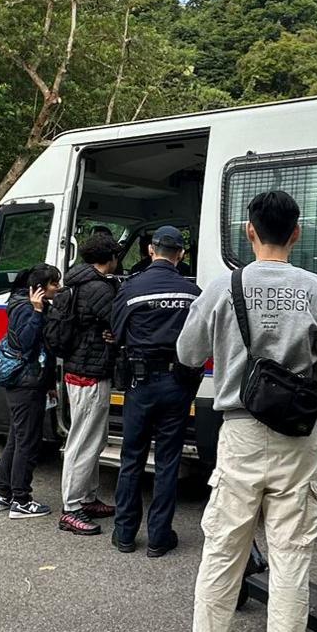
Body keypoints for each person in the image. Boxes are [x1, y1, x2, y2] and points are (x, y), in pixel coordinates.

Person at [176, 189, 317, 632]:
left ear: (250, 232)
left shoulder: (224, 287)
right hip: (299, 440)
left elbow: (187, 352)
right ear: (296, 233)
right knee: (291, 555)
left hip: (240, 435)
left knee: (224, 547)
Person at [109, 225, 201, 557]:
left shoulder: (132, 288)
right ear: (181, 254)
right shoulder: (193, 292)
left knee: (132, 458)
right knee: (167, 461)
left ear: (150, 250)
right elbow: (200, 342)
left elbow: (116, 332)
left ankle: (124, 534)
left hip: (140, 383)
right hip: (177, 384)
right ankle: (160, 538)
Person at [55, 233, 122, 537]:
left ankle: (88, 498)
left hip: (80, 369)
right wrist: (114, 334)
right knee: (83, 441)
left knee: (93, 438)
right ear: (109, 258)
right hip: (90, 373)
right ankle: (71, 509)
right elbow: (118, 322)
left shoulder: (77, 282)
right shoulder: (98, 287)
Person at [0, 263, 62, 519]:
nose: (59, 287)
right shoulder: (26, 308)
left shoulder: (21, 304)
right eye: (55, 283)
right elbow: (25, 343)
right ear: (40, 289)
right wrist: (38, 310)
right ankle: (21, 499)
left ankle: (2, 493)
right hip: (26, 384)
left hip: (30, 383)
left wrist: (50, 384)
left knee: (16, 438)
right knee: (27, 442)